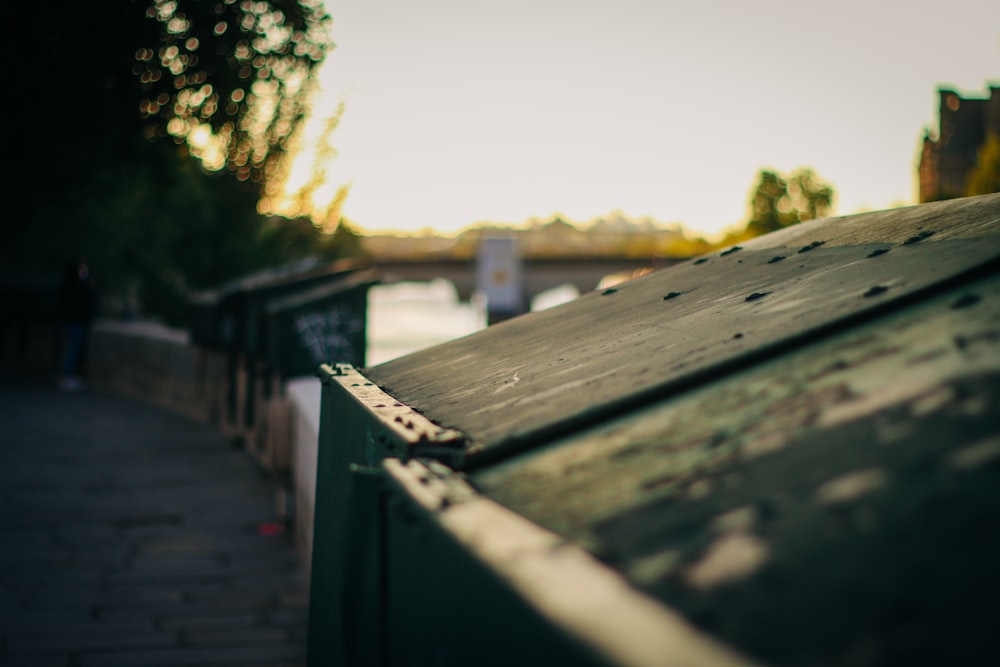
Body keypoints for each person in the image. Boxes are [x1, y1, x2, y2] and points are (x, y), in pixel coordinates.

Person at [57, 256, 97, 391]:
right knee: (73, 349)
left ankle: (66, 376)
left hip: (69, 320)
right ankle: (66, 377)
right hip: (76, 321)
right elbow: (83, 301)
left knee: (70, 348)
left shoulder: (67, 282)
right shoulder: (77, 284)